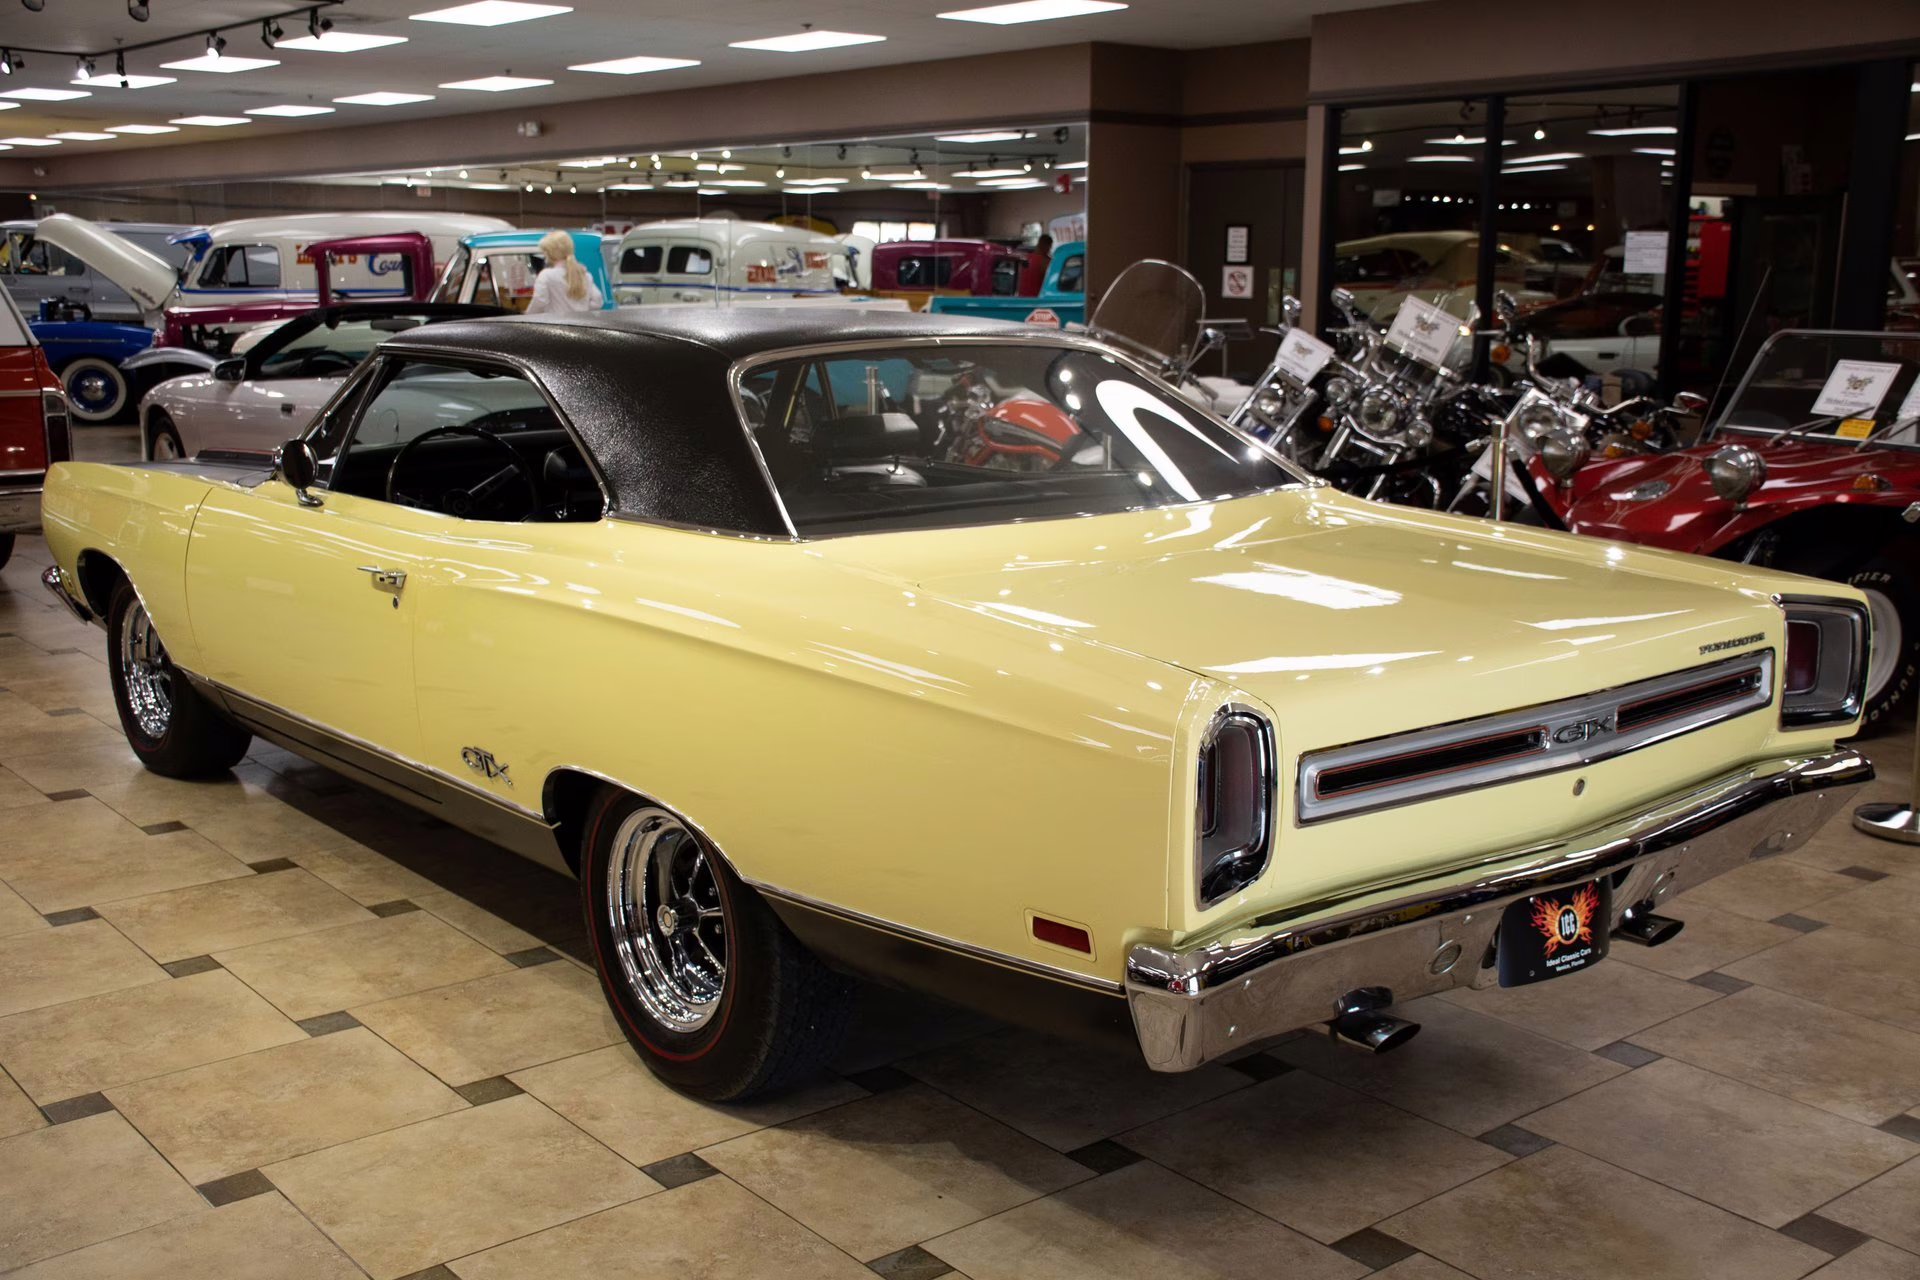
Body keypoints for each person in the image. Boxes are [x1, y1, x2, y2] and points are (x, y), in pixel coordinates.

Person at [526, 230, 602, 314]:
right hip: (581, 324)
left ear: (550, 253)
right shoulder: (585, 275)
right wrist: (582, 309)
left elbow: (539, 302)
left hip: (556, 325)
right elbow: (597, 301)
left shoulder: (546, 276)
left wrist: (526, 317)